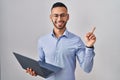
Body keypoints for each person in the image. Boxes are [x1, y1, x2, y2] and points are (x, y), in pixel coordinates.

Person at [26, 2, 96, 80]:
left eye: (62, 15)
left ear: (67, 17)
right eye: (56, 15)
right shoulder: (42, 41)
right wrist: (35, 71)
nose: (59, 19)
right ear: (51, 17)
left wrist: (89, 47)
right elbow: (41, 64)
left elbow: (87, 69)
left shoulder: (76, 40)